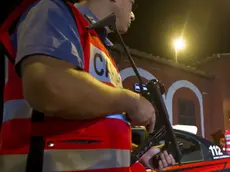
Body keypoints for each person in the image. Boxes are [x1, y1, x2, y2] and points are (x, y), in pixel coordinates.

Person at [0, 0, 175, 171]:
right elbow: (48, 87)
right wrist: (132, 102)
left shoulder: (98, 46)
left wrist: (138, 155)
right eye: (132, 3)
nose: (133, 14)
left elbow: (91, 125)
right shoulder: (53, 11)